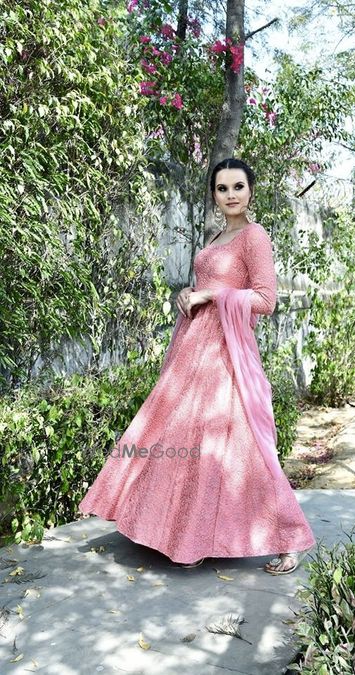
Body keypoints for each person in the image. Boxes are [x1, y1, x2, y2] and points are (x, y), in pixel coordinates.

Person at [78, 157, 315, 575]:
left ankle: (288, 539)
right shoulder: (219, 236)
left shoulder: (254, 236)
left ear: (251, 190)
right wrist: (188, 294)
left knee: (243, 447)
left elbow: (266, 299)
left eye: (238, 187)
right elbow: (209, 285)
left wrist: (211, 296)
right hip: (193, 349)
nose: (230, 195)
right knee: (183, 438)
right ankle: (186, 537)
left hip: (226, 354)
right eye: (222, 188)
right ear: (214, 194)